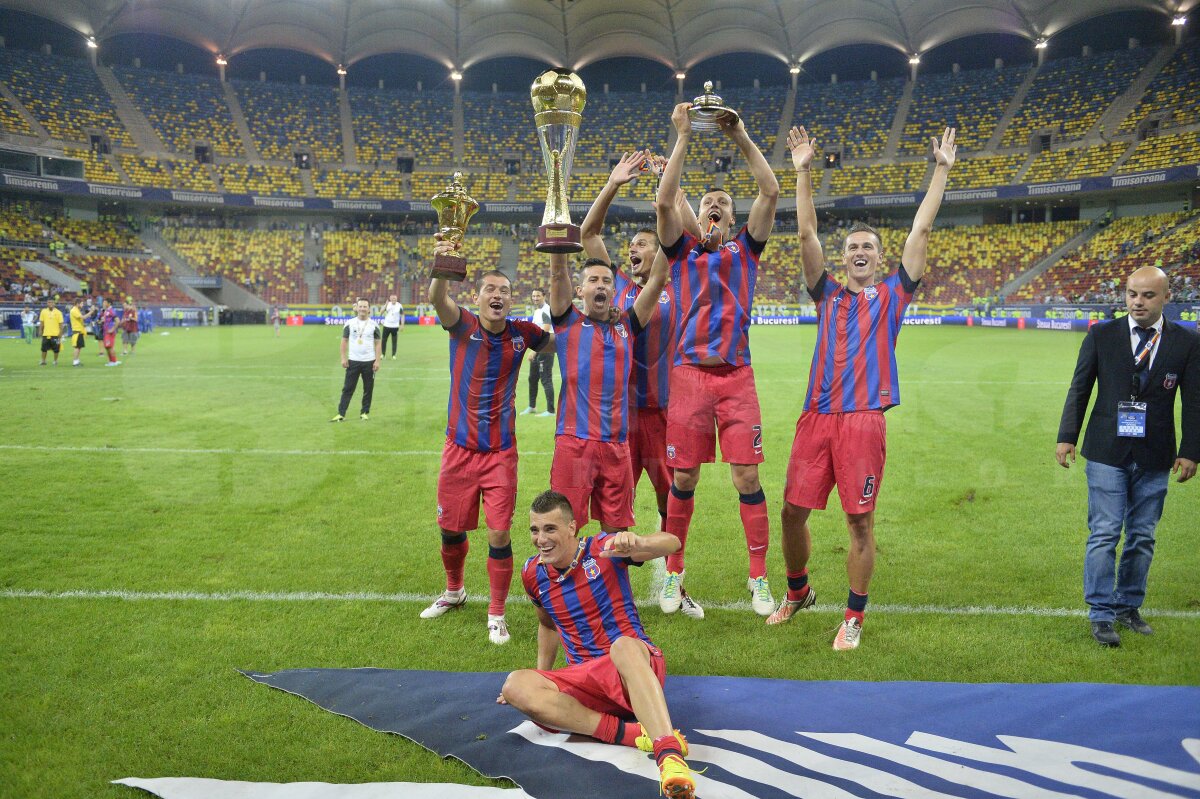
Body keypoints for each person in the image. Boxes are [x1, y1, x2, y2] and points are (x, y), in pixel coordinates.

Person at [771, 125, 956, 650]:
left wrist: (940, 170)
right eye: (851, 246)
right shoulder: (825, 293)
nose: (858, 252)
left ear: (878, 258)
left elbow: (919, 232)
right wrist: (803, 171)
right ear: (843, 256)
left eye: (867, 247)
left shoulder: (894, 295)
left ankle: (853, 616)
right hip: (815, 418)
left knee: (859, 522)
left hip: (862, 422)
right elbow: (806, 234)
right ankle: (798, 590)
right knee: (791, 512)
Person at [655, 101, 781, 616]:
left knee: (747, 479)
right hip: (687, 378)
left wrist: (741, 134)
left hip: (736, 378)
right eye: (708, 201)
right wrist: (682, 136)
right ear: (698, 214)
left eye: (723, 204)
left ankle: (758, 578)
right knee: (683, 480)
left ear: (732, 218)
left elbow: (770, 190)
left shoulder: (746, 251)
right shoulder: (683, 251)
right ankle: (673, 575)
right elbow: (665, 204)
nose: (715, 206)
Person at [499, 490, 696, 799]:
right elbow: (547, 624)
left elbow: (672, 543)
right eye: (535, 530)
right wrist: (540, 681)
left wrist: (638, 542)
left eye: (550, 529)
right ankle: (630, 734)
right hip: (587, 683)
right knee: (514, 685)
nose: (541, 539)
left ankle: (669, 757)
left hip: (634, 668)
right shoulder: (531, 573)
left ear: (572, 528)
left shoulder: (604, 548)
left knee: (622, 647)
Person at [421, 236, 555, 645]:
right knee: (450, 529)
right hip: (458, 450)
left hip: (500, 453)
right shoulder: (461, 325)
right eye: (490, 290)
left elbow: (559, 339)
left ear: (511, 300)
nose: (497, 296)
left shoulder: (523, 333)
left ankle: (496, 614)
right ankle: (454, 590)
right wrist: (444, 262)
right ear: (477, 297)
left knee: (499, 534)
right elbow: (436, 298)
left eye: (504, 291)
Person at [1056, 265, 1198, 647]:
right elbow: (1080, 387)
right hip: (1105, 449)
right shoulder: (1102, 334)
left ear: (1167, 297)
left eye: (1148, 295)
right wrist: (1067, 436)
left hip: (1156, 453)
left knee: (1142, 535)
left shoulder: (1186, 342)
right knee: (1104, 533)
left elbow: (1195, 401)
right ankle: (1101, 613)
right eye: (1132, 293)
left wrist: (1191, 451)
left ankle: (1127, 606)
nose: (1138, 301)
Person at [547, 237, 668, 536]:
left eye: (606, 281)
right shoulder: (566, 321)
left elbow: (658, 280)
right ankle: (562, 583)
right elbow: (558, 273)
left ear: (615, 292)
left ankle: (612, 583)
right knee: (564, 528)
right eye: (593, 280)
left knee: (617, 534)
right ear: (580, 291)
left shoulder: (627, 325)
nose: (600, 285)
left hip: (616, 447)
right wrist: (557, 235)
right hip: (574, 444)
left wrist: (669, 226)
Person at [331, 299, 381, 421]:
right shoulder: (349, 323)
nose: (363, 309)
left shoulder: (374, 325)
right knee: (348, 388)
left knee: (368, 389)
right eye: (361, 306)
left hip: (369, 361)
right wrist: (343, 358)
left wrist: (377, 361)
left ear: (369, 309)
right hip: (353, 361)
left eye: (365, 306)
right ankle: (341, 413)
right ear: (357, 308)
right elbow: (344, 341)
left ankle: (364, 412)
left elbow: (378, 343)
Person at [520, 289, 555, 417]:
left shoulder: (546, 310)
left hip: (546, 349)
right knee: (532, 378)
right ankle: (532, 406)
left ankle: (550, 411)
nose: (535, 298)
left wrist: (534, 351)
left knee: (546, 379)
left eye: (538, 296)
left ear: (544, 296)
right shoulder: (537, 311)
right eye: (533, 296)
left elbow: (545, 333)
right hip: (537, 349)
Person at [37, 297, 64, 366]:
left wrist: (60, 333)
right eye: (49, 302)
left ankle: (55, 361)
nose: (50, 304)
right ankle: (43, 361)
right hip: (46, 334)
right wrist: (40, 330)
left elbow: (61, 324)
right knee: (43, 349)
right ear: (47, 303)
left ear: (54, 303)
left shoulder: (58, 312)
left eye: (52, 302)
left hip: (55, 334)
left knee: (56, 349)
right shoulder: (43, 311)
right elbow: (42, 322)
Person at [68, 298, 94, 366]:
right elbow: (83, 317)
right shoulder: (74, 310)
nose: (82, 305)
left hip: (79, 331)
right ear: (77, 304)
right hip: (77, 331)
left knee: (79, 347)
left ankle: (77, 360)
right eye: (81, 303)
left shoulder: (77, 310)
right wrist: (91, 312)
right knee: (77, 347)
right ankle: (75, 361)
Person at [381, 294, 405, 359]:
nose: (394, 299)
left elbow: (402, 315)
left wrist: (402, 325)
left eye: (395, 298)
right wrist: (385, 305)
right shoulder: (387, 304)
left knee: (394, 341)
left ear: (396, 299)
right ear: (390, 299)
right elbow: (381, 312)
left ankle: (393, 355)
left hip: (395, 326)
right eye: (392, 298)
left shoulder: (399, 305)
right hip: (386, 325)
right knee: (384, 340)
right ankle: (383, 354)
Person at [98, 300, 121, 367]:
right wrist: (101, 322)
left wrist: (113, 329)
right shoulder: (106, 311)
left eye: (105, 302)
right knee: (107, 347)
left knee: (109, 346)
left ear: (109, 303)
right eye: (103, 302)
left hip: (109, 332)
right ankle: (112, 361)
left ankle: (113, 362)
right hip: (106, 331)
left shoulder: (111, 311)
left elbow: (117, 321)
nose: (103, 304)